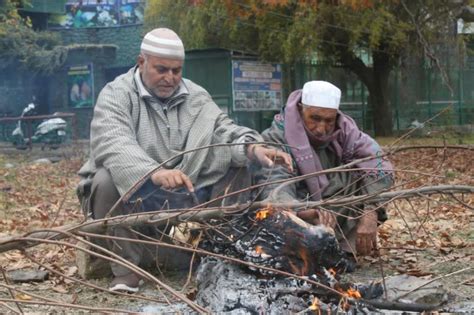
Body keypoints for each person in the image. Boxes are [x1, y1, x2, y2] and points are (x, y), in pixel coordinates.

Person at [76, 28, 292, 292]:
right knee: (105, 179)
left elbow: (222, 131)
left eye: (176, 71)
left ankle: (220, 255)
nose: (170, 78)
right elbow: (113, 142)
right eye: (162, 69)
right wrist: (152, 173)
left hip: (186, 192)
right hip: (136, 194)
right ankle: (126, 270)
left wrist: (254, 148)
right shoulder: (116, 94)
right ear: (141, 62)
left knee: (237, 166)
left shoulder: (196, 96)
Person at [257, 80, 394, 262]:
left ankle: (343, 248)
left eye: (328, 121)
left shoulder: (346, 132)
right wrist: (303, 211)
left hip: (335, 210)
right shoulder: (276, 137)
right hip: (299, 213)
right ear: (300, 110)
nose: (321, 129)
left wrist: (370, 211)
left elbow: (379, 165)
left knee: (360, 176)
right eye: (314, 118)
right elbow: (275, 187)